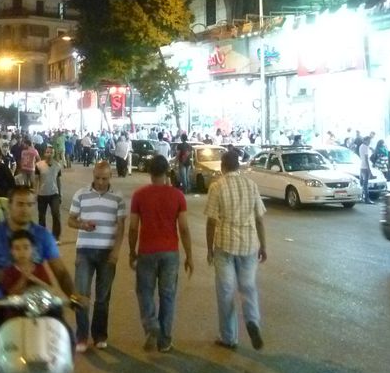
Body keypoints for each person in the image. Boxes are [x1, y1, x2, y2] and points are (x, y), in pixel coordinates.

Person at [0, 185, 79, 369]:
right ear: (10, 206)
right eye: (20, 204)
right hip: (2, 299)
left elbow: (60, 271)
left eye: (30, 204)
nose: (25, 209)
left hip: (39, 299)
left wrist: (73, 296)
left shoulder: (43, 235)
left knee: (66, 338)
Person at [128, 154, 193, 353]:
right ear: (167, 172)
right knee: (168, 296)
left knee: (144, 291)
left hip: (147, 251)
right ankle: (164, 340)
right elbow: (183, 228)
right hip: (170, 253)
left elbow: (132, 228)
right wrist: (189, 255)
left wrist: (132, 251)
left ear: (150, 172)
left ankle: (151, 325)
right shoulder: (177, 196)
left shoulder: (139, 195)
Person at [205, 151, 266, 351]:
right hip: (249, 244)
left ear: (223, 166)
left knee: (225, 292)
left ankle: (229, 338)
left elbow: (211, 220)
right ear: (238, 166)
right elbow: (259, 218)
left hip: (224, 245)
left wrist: (209, 249)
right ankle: (252, 321)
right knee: (248, 287)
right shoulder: (251, 185)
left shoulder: (217, 186)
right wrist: (263, 246)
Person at [68, 160, 126, 352]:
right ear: (93, 176)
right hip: (84, 250)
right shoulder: (81, 194)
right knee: (81, 295)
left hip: (107, 253)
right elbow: (71, 220)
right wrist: (82, 225)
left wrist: (116, 251)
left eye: (104, 178)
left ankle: (100, 335)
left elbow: (121, 227)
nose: (100, 182)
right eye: (97, 178)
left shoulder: (118, 198)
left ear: (111, 177)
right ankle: (82, 336)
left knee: (103, 297)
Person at [34, 146, 64, 241]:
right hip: (42, 194)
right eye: (47, 152)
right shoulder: (38, 165)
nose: (49, 154)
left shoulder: (58, 166)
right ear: (44, 153)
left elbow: (58, 180)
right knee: (41, 216)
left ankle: (56, 236)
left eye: (51, 152)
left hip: (54, 194)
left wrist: (60, 193)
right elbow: (36, 180)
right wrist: (35, 193)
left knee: (56, 214)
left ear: (54, 154)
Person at [357, 135, 374, 204]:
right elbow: (366, 158)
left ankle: (362, 197)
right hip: (365, 166)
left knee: (362, 183)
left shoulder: (361, 146)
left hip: (361, 166)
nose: (369, 142)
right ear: (365, 140)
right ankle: (367, 199)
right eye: (368, 141)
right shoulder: (366, 147)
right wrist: (369, 169)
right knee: (365, 184)